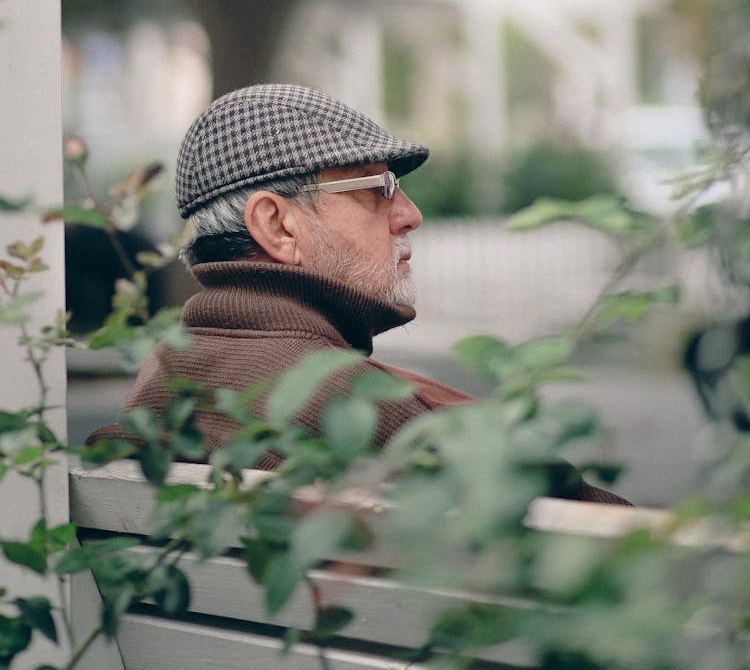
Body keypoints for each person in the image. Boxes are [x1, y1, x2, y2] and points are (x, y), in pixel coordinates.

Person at [89, 83, 629, 504]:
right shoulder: (359, 404)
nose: (410, 214)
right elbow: (598, 530)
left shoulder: (163, 377)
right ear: (277, 226)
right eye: (377, 188)